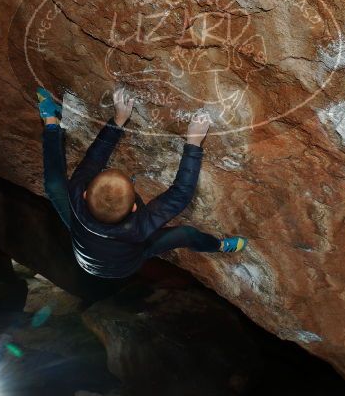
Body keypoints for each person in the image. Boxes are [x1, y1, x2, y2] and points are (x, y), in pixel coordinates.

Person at [38, 86, 248, 279]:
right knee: (187, 234)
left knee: (55, 185)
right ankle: (218, 246)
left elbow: (94, 159)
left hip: (82, 235)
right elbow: (181, 193)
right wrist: (193, 142)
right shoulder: (139, 229)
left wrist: (118, 120)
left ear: (85, 194)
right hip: (124, 264)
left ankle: (51, 121)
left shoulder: (76, 191)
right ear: (135, 207)